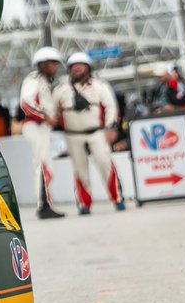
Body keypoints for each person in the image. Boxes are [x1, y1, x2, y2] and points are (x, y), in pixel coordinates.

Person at [54, 52, 125, 214]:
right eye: (74, 67)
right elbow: (53, 110)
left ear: (88, 68)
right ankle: (84, 204)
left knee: (105, 163)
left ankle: (117, 198)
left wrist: (111, 128)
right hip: (73, 134)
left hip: (97, 133)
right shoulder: (61, 89)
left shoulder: (100, 86)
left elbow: (111, 107)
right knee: (80, 169)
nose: (77, 69)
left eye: (81, 65)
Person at [19, 47, 65, 218]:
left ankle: (45, 204)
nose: (56, 67)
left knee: (45, 165)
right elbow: (26, 102)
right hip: (35, 126)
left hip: (41, 128)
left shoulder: (44, 82)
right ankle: (43, 205)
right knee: (42, 165)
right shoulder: (34, 79)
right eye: (53, 63)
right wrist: (45, 116)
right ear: (43, 64)